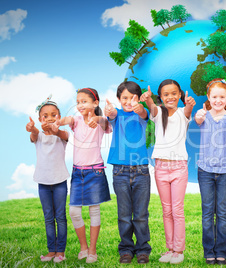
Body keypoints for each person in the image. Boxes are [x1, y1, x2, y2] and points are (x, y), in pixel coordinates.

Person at [140, 79, 195, 264]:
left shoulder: (183, 113)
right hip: (161, 168)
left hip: (179, 167)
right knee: (167, 210)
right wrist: (147, 99)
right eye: (166, 94)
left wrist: (189, 104)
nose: (170, 97)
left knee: (177, 210)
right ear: (160, 97)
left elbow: (188, 110)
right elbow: (151, 108)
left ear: (179, 94)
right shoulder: (158, 113)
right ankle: (170, 248)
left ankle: (179, 250)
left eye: (174, 93)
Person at [60, 88, 112, 263]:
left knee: (93, 210)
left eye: (84, 101)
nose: (80, 105)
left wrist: (96, 119)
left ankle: (92, 250)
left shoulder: (100, 121)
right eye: (78, 102)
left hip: (95, 171)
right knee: (74, 211)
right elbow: (66, 119)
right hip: (77, 172)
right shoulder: (75, 121)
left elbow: (105, 123)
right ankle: (83, 247)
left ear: (95, 103)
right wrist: (55, 122)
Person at [194, 78, 226, 265]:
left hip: (225, 172)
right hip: (205, 170)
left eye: (222, 97)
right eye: (215, 97)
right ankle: (209, 251)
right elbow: (197, 119)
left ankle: (221, 251)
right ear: (208, 97)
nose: (218, 100)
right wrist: (199, 115)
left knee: (222, 212)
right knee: (207, 212)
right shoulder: (203, 115)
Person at [104, 81, 151, 264]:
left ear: (138, 98)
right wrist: (110, 110)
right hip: (120, 171)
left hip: (141, 171)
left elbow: (142, 112)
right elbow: (113, 113)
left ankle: (142, 250)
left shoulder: (142, 114)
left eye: (133, 98)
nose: (128, 101)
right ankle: (125, 249)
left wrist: (140, 106)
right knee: (124, 214)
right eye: (124, 98)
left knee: (140, 214)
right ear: (118, 99)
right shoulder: (117, 115)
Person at [26, 96, 69, 263]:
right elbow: (34, 134)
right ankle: (51, 250)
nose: (49, 118)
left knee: (60, 216)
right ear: (39, 119)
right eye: (45, 116)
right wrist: (33, 128)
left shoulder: (62, 135)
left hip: (60, 182)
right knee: (48, 217)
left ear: (59, 117)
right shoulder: (38, 136)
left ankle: (61, 252)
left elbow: (63, 134)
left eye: (53, 115)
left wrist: (55, 129)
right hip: (43, 183)